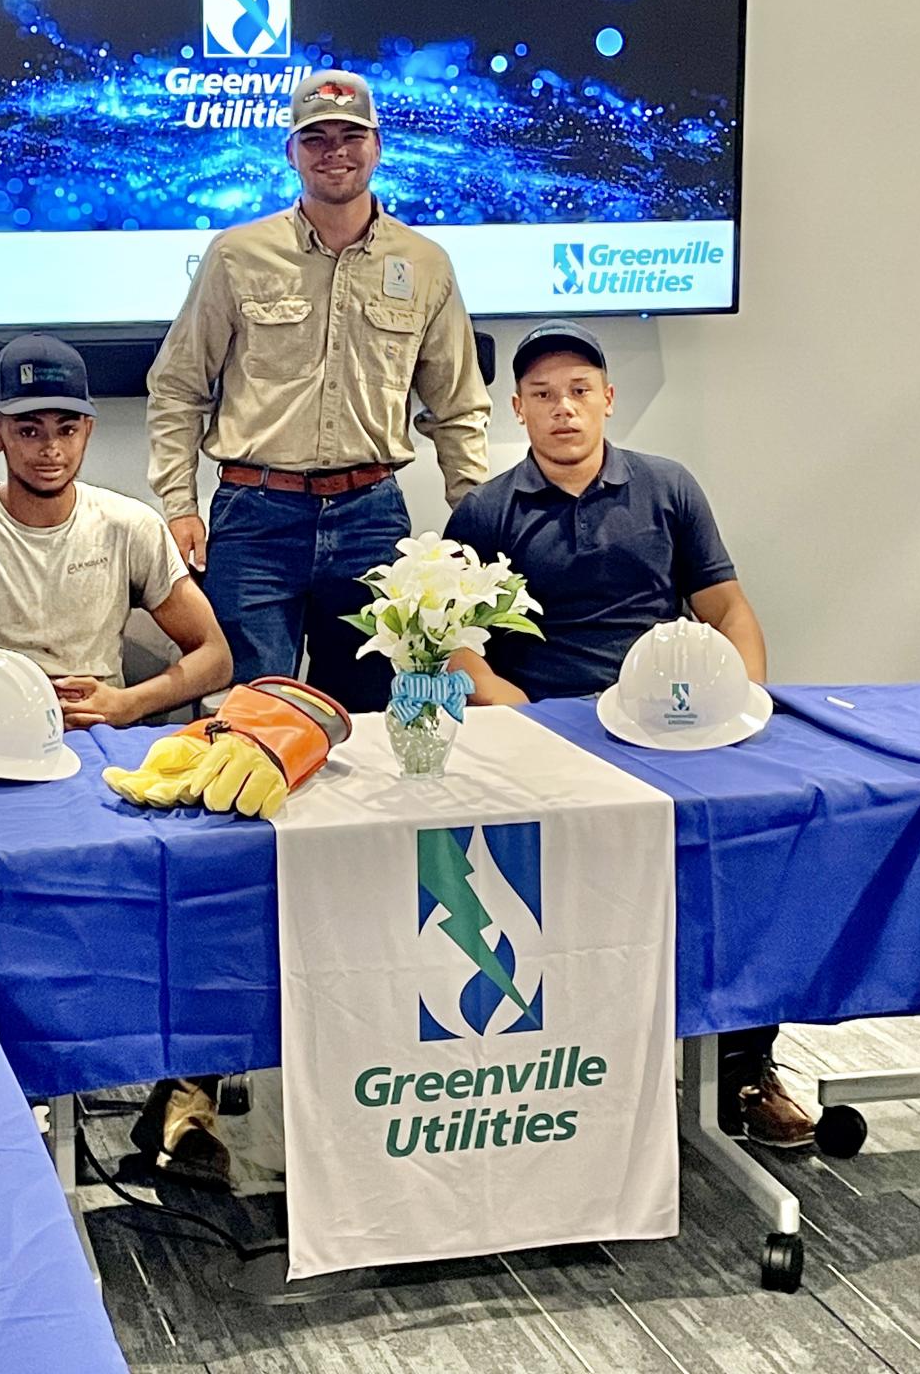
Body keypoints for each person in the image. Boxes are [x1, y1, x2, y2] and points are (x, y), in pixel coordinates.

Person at [446, 322, 812, 1150]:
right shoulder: (484, 511)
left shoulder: (667, 487)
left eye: (579, 391)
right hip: (544, 733)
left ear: (608, 400)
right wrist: (514, 710)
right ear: (519, 410)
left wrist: (740, 704)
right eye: (542, 396)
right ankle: (583, 1069)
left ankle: (746, 1068)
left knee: (739, 877)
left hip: (671, 724)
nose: (563, 409)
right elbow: (456, 644)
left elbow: (725, 610)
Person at [146, 68, 490, 712]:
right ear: (291, 152)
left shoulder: (425, 265)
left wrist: (473, 521)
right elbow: (177, 386)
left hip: (372, 520)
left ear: (377, 146)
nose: (335, 151)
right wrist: (178, 503)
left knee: (371, 718)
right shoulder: (237, 255)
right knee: (245, 712)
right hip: (255, 519)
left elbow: (458, 405)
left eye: (350, 135)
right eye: (316, 138)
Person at [0, 332, 232, 730]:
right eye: (29, 431)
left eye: (66, 430)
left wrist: (127, 704)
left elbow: (216, 656)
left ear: (88, 430)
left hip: (96, 744)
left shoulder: (130, 527)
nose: (51, 449)